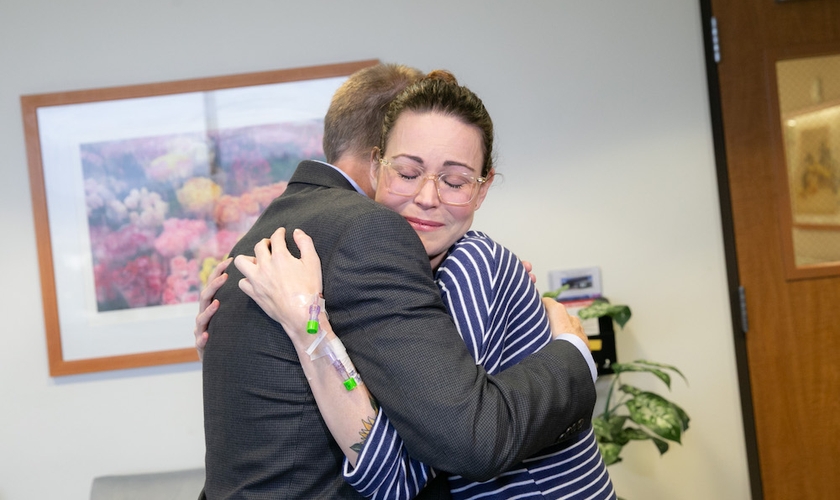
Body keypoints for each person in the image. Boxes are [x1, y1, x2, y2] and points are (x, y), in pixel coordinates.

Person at [207, 70, 615, 499]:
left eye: (455, 182)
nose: (427, 197)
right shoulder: (406, 269)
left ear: (482, 189)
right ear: (376, 166)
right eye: (406, 172)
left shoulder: (468, 266)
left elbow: (401, 478)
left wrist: (310, 328)